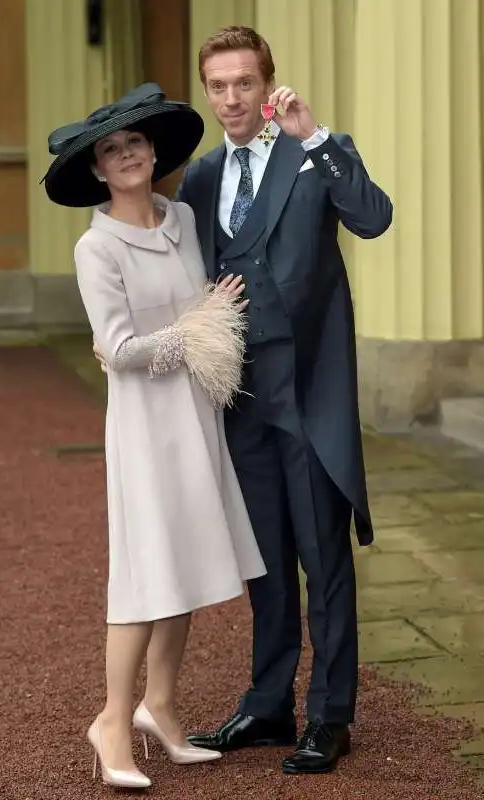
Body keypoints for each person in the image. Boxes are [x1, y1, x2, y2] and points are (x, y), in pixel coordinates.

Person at [175, 27, 393, 775]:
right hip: (239, 394)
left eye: (243, 83)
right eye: (218, 86)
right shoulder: (201, 179)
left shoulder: (312, 151)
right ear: (207, 91)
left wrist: (318, 135)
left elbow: (374, 216)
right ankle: (269, 704)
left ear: (267, 86)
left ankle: (330, 717)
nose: (231, 98)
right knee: (264, 559)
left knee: (323, 554)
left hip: (311, 388)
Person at [42, 82, 266, 791]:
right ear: (98, 172)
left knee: (191, 564)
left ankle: (160, 709)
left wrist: (206, 322)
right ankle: (111, 719)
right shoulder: (96, 249)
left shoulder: (184, 217)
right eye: (111, 150)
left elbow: (203, 305)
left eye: (134, 143)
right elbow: (117, 348)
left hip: (196, 416)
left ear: (153, 151)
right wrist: (197, 329)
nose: (127, 155)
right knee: (144, 576)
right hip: (144, 428)